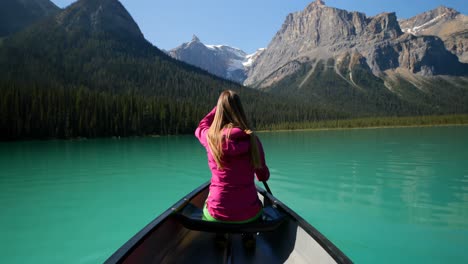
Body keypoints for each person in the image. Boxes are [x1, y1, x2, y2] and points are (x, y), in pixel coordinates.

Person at [195, 90, 270, 226]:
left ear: (220, 112)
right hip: (250, 215)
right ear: (240, 111)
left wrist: (219, 108)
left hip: (216, 216)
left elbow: (201, 126)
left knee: (210, 201)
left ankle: (220, 237)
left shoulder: (210, 138)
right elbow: (262, 176)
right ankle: (248, 237)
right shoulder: (253, 140)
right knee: (254, 206)